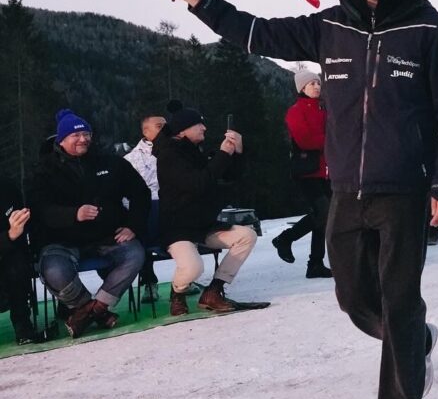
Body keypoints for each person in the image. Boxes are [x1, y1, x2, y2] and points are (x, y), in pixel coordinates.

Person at [159, 0, 438, 399]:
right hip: (346, 188)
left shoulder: (428, 27)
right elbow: (257, 32)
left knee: (399, 297)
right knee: (352, 298)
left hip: (405, 190)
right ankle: (414, 345)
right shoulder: (332, 25)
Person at [31, 109, 147, 338]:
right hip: (61, 240)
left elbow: (141, 194)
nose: (83, 139)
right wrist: (74, 214)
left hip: (106, 235)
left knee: (134, 255)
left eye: (86, 134)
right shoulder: (44, 171)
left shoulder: (111, 163)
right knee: (53, 269)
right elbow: (40, 211)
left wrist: (133, 225)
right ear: (61, 139)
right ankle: (91, 310)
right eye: (76, 135)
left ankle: (96, 309)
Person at [153, 102, 260, 315]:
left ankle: (214, 290)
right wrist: (222, 154)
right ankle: (178, 293)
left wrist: (236, 152)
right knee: (194, 268)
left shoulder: (193, 151)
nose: (204, 128)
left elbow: (229, 176)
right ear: (183, 130)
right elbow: (199, 183)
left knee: (246, 235)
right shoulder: (169, 156)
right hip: (178, 229)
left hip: (204, 225)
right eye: (199, 125)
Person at [272, 70, 332, 278]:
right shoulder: (296, 111)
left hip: (325, 171)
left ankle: (315, 263)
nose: (317, 86)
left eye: (318, 82)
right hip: (307, 172)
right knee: (324, 212)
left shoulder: (325, 108)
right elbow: (306, 141)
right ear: (302, 88)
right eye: (311, 83)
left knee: (324, 216)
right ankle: (286, 238)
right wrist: (333, 139)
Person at [123, 114, 167, 302]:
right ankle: (149, 282)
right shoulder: (130, 160)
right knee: (141, 235)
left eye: (167, 126)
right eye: (159, 126)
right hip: (146, 214)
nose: (165, 129)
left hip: (173, 210)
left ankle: (185, 279)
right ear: (145, 131)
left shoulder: (180, 152)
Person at [1, 178, 36, 344]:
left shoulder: (7, 187)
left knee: (17, 263)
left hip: (8, 254)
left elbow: (20, 237)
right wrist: (9, 236)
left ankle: (23, 326)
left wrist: (16, 229)